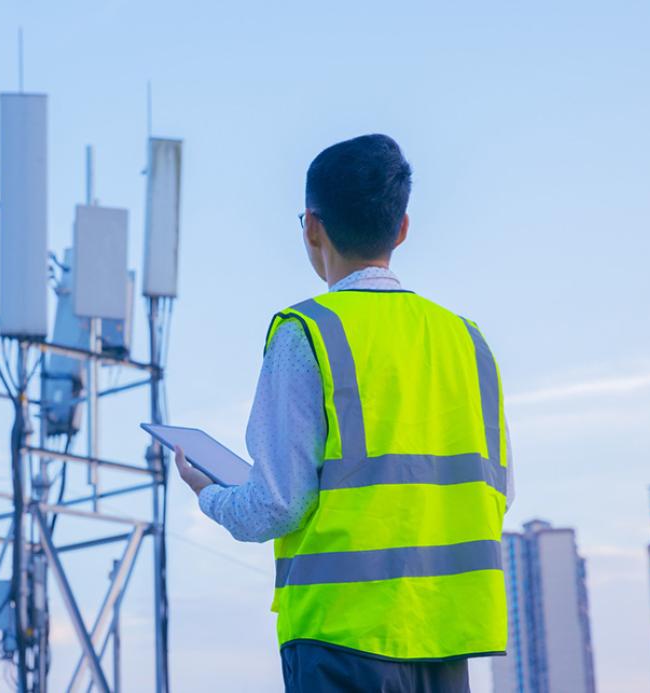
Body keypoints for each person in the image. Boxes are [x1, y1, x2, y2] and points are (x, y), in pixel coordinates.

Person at [174, 134, 513, 693]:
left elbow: (276, 506)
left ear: (311, 226)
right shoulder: (467, 342)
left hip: (340, 639)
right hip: (448, 638)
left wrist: (207, 492)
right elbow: (495, 492)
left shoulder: (306, 332)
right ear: (402, 228)